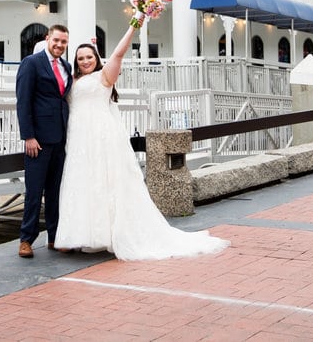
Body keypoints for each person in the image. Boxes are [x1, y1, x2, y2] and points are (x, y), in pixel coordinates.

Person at [54, 18, 229, 260]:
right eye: (81, 58)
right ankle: (79, 235)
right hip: (78, 137)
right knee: (81, 182)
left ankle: (105, 235)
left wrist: (137, 21)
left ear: (96, 58)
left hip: (100, 136)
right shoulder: (72, 80)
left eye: (89, 57)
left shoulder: (105, 76)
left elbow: (119, 52)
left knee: (103, 182)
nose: (85, 61)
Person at [15, 24, 72, 258]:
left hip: (60, 138)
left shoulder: (66, 66)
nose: (59, 45)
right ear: (48, 38)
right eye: (56, 40)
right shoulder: (32, 62)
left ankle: (54, 236)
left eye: (64, 42)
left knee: (55, 191)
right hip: (37, 139)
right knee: (34, 191)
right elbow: (23, 101)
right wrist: (28, 135)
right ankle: (26, 239)